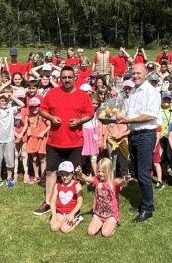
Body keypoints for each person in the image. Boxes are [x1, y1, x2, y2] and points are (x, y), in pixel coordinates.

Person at [34, 66, 95, 216]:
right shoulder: (52, 93)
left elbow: (91, 113)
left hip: (75, 142)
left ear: (74, 78)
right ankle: (48, 202)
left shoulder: (82, 95)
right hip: (55, 141)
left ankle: (74, 204)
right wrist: (51, 118)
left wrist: (80, 121)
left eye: (69, 77)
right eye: (64, 77)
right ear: (60, 79)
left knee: (75, 173)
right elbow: (42, 110)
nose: (67, 80)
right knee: (50, 171)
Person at [118, 63, 161, 222]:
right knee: (137, 170)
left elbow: (150, 115)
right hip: (134, 135)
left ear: (146, 73)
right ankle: (143, 203)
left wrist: (129, 119)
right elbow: (130, 113)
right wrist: (119, 117)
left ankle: (147, 209)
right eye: (133, 73)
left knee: (143, 172)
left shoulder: (151, 91)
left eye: (138, 73)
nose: (135, 76)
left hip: (145, 135)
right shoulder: (134, 91)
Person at [77, 158, 128, 238]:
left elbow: (120, 182)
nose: (100, 174)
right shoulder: (97, 180)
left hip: (111, 215)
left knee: (105, 233)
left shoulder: (113, 182)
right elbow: (86, 178)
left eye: (103, 172)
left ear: (109, 171)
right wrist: (80, 173)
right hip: (98, 214)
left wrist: (125, 180)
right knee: (90, 232)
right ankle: (102, 223)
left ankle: (113, 225)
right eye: (99, 171)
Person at [49, 161, 83, 233]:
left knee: (64, 229)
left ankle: (77, 219)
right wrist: (54, 215)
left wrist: (72, 214)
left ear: (72, 173)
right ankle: (62, 219)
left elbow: (80, 202)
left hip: (71, 212)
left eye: (67, 174)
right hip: (60, 212)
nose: (64, 177)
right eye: (62, 174)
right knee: (54, 227)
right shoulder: (58, 184)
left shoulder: (76, 185)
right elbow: (53, 201)